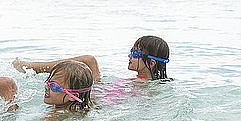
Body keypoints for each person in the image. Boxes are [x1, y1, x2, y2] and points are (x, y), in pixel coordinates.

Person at [12, 35, 170, 81]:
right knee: (88, 61)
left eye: (135, 53)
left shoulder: (147, 85)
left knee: (89, 60)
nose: (129, 55)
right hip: (102, 94)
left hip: (99, 97)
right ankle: (30, 68)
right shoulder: (142, 81)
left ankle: (29, 67)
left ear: (152, 62)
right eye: (131, 51)